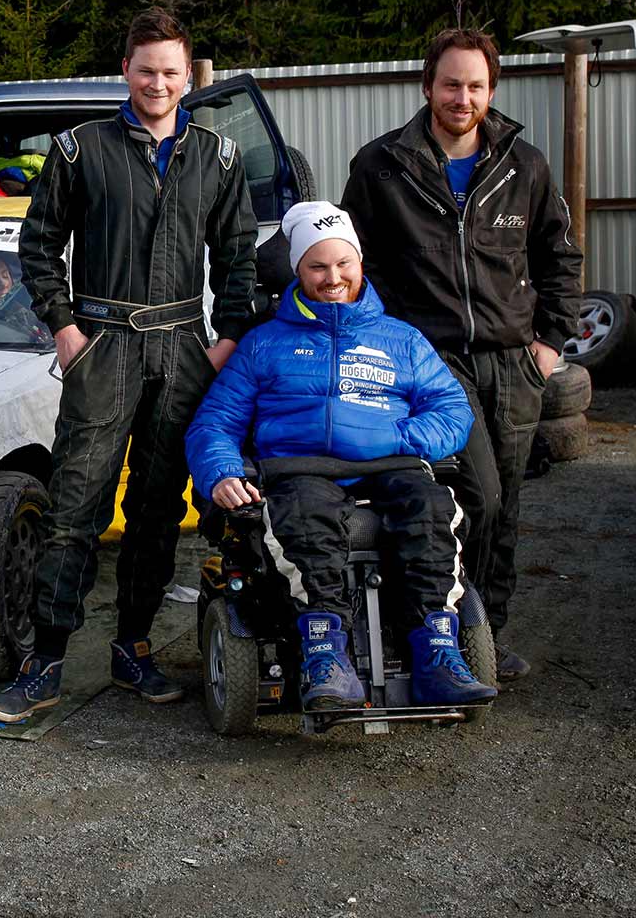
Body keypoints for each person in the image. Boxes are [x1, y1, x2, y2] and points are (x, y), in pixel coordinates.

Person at [0, 7, 258, 723]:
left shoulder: (217, 157)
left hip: (184, 347)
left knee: (161, 510)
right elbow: (37, 246)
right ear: (126, 71)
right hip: (103, 344)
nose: (157, 83)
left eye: (170, 71)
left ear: (187, 75)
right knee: (76, 504)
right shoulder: (79, 150)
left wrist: (225, 339)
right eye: (145, 70)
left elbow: (237, 257)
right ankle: (44, 661)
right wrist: (65, 329)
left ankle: (132, 647)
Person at [339, 27, 583, 682]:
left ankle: (484, 636)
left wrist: (549, 344)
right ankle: (438, 627)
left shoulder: (522, 166)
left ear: (491, 91)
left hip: (514, 362)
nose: (462, 97)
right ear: (427, 86)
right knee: (475, 492)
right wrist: (378, 346)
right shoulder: (381, 166)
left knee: (503, 505)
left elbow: (559, 258)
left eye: (475, 85)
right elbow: (350, 265)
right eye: (451, 83)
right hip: (430, 360)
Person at [185, 202, 495, 709]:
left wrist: (404, 438)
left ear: (359, 264)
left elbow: (452, 410)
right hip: (300, 470)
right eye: (318, 266)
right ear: (299, 271)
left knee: (433, 508)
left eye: (343, 264)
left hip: (391, 463)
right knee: (304, 517)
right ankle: (326, 654)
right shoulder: (264, 344)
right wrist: (221, 472)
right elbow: (214, 423)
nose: (333, 278)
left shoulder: (402, 340)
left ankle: (438, 651)